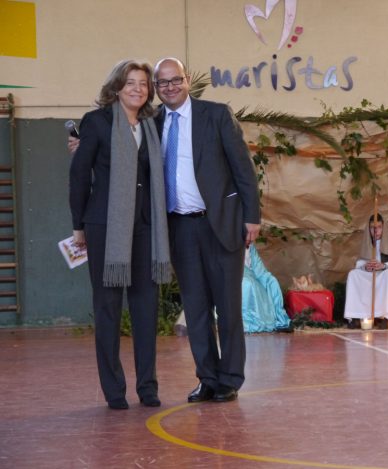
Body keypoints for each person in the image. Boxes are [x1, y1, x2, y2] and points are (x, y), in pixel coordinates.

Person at [153, 57, 260, 403]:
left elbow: (243, 168)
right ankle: (208, 378)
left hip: (221, 224)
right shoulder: (152, 124)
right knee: (196, 310)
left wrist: (252, 217)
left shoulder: (216, 115)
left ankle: (230, 378)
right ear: (156, 88)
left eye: (175, 80)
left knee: (227, 308)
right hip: (180, 228)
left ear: (186, 80)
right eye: (163, 82)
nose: (170, 87)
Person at [69, 60, 171, 410]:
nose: (138, 89)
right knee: (108, 308)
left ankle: (148, 387)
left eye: (143, 83)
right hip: (104, 227)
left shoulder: (154, 123)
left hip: (145, 227)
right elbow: (79, 176)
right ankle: (114, 390)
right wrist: (78, 225)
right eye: (130, 83)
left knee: (146, 308)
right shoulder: (96, 122)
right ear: (116, 87)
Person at [343, 214, 388, 329]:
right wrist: (366, 266)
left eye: (379, 227)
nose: (376, 231)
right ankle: (357, 317)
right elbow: (359, 263)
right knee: (353, 274)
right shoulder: (368, 242)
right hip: (371, 274)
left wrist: (384, 266)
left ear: (384, 227)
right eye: (372, 228)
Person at [242, 244, 291, 333]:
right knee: (247, 283)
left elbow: (259, 270)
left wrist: (269, 280)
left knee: (272, 281)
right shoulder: (231, 244)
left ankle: (274, 318)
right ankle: (247, 322)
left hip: (253, 278)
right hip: (239, 278)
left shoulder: (251, 248)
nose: (251, 238)